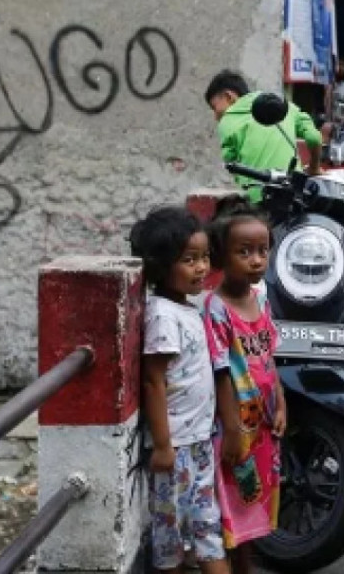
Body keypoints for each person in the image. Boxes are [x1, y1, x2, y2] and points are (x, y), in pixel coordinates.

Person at [129, 207, 229, 574]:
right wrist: (164, 445)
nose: (201, 268)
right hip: (177, 446)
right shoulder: (163, 316)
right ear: (160, 266)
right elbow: (154, 380)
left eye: (204, 258)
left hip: (199, 440)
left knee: (207, 531)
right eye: (189, 260)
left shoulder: (189, 308)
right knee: (170, 537)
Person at [202, 196, 286, 574]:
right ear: (220, 257)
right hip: (236, 429)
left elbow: (269, 358)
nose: (256, 260)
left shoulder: (261, 299)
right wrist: (233, 429)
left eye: (262, 251)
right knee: (231, 503)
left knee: (255, 503)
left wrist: (281, 404)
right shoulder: (215, 309)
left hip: (263, 426)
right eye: (244, 252)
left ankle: (247, 567)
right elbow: (221, 373)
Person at [204, 70, 323, 202]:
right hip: (294, 194)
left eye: (214, 107)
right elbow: (314, 138)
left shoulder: (228, 120)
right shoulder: (285, 105)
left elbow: (231, 163)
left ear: (229, 96)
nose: (215, 117)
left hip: (258, 199)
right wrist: (314, 168)